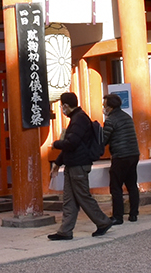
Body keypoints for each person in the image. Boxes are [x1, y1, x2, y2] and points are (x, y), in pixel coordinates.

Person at [47, 91, 113, 241]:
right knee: (69, 199)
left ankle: (103, 222)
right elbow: (71, 146)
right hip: (73, 164)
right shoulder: (76, 118)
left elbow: (71, 143)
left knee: (83, 197)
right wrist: (58, 163)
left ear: (65, 105)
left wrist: (56, 144)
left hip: (79, 165)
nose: (62, 109)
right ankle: (65, 231)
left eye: (62, 106)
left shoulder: (79, 120)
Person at [102, 92, 141, 223]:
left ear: (110, 107)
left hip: (120, 155)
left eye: (104, 105)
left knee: (116, 186)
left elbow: (104, 139)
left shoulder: (111, 120)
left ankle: (118, 216)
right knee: (131, 185)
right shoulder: (127, 117)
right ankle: (134, 214)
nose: (103, 107)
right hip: (133, 154)